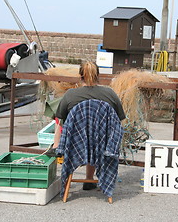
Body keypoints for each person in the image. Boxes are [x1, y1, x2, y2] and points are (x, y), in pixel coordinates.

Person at [49, 61, 125, 190]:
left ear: (80, 76)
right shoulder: (110, 93)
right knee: (94, 134)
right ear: (98, 75)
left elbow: (60, 118)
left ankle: (56, 146)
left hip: (76, 142)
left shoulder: (70, 94)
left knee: (79, 129)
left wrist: (57, 143)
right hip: (103, 143)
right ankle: (90, 178)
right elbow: (119, 118)